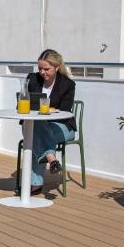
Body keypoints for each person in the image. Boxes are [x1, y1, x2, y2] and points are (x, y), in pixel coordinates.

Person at [22, 49, 76, 195]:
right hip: (35, 125)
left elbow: (64, 110)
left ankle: (36, 183)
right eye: (40, 68)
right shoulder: (32, 79)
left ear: (57, 67)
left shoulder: (67, 84)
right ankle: (52, 158)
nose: (42, 72)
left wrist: (49, 110)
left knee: (35, 134)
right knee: (36, 126)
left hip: (63, 127)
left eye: (47, 69)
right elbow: (23, 101)